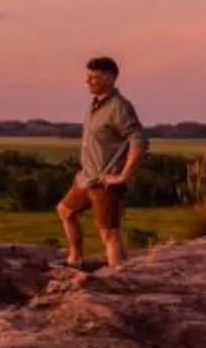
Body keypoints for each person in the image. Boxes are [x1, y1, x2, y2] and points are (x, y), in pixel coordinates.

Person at [56, 56, 147, 272]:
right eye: (87, 77)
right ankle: (75, 260)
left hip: (106, 182)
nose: (87, 81)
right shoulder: (94, 106)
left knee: (109, 233)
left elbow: (138, 141)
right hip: (87, 178)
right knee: (65, 210)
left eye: (93, 78)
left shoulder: (119, 107)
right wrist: (83, 171)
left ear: (109, 78)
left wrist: (123, 177)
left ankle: (119, 280)